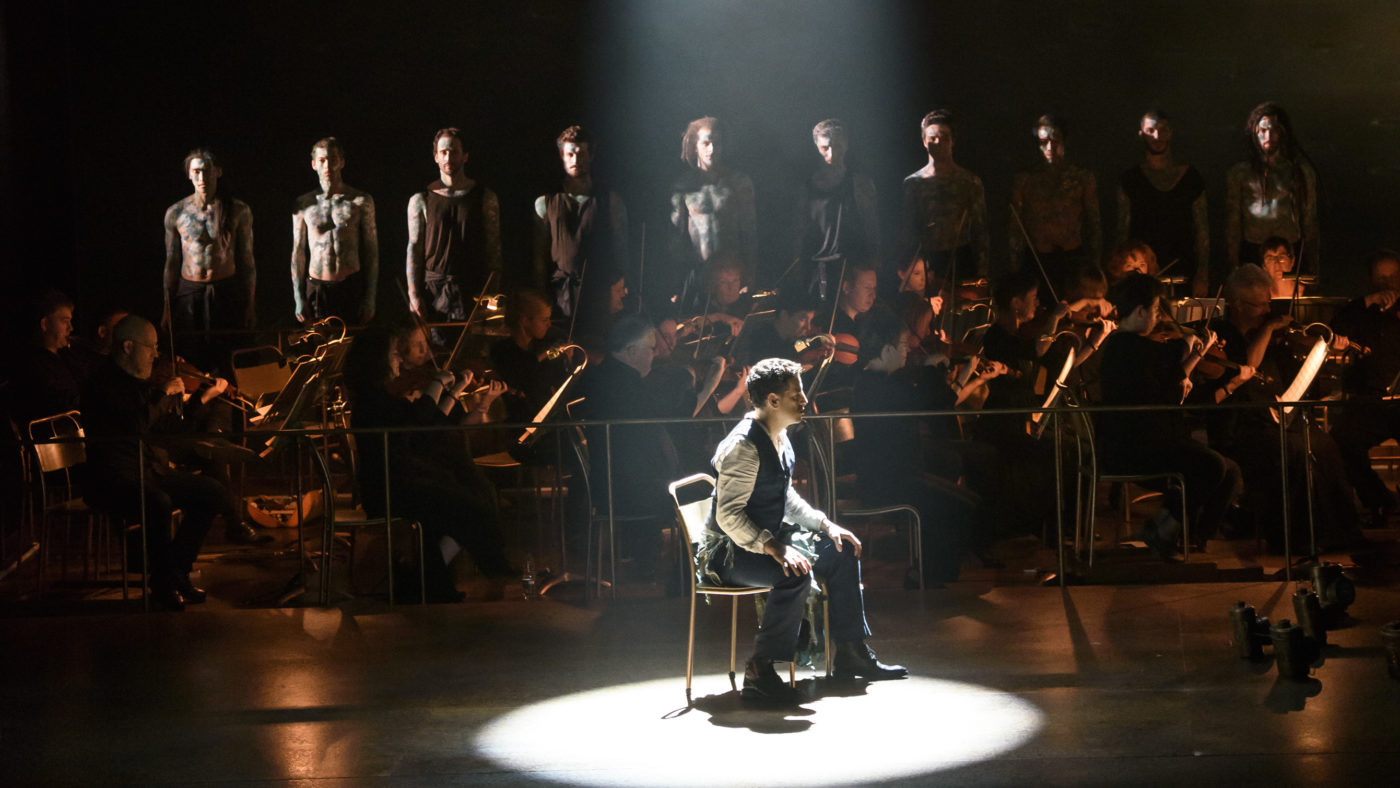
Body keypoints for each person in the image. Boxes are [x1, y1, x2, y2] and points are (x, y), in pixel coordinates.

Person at [699, 358, 906, 703]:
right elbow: (728, 516)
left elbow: (786, 498)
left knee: (840, 550)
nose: (805, 400)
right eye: (797, 393)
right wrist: (774, 547)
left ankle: (851, 653)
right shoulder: (744, 447)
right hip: (730, 554)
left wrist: (827, 525)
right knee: (794, 573)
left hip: (765, 542)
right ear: (773, 401)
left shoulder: (779, 436)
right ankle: (759, 670)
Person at [81, 315, 251, 610]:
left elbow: (168, 433)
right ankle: (162, 586)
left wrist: (199, 399)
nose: (156, 355)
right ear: (127, 347)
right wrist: (162, 393)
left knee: (213, 493)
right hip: (113, 477)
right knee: (157, 503)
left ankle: (176, 573)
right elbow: (137, 424)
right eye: (151, 347)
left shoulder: (139, 384)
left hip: (147, 470)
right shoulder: (102, 382)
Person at [342, 325, 515, 602]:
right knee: (466, 506)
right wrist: (435, 385)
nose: (398, 359)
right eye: (393, 354)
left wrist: (451, 392)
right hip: (389, 489)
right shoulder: (372, 400)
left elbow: (424, 425)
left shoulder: (375, 397)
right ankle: (483, 570)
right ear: (377, 360)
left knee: (464, 499)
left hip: (399, 483)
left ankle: (423, 582)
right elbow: (417, 419)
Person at [1206, 265, 1360, 551]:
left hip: (1271, 421)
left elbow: (1295, 377)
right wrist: (1266, 330)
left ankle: (1341, 529)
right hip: (1237, 427)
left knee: (1324, 443)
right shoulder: (1220, 335)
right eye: (1260, 304)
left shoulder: (1271, 336)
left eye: (1268, 303)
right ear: (1237, 304)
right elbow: (1245, 367)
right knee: (1294, 451)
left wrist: (1325, 355)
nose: (1267, 311)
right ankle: (1292, 537)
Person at [1097, 273, 1242, 557]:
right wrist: (1194, 344)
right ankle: (1164, 529)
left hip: (1154, 439)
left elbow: (1166, 379)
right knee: (1211, 466)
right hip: (1134, 447)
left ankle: (1190, 537)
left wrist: (1189, 364)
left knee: (1230, 471)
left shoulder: (1134, 347)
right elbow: (1171, 356)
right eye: (1154, 309)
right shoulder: (1124, 346)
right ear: (1139, 311)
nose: (1158, 316)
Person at [575, 315, 723, 572]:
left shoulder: (604, 377)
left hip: (612, 484)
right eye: (651, 348)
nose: (655, 355)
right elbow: (678, 416)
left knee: (696, 483)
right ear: (631, 350)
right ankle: (692, 576)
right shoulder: (627, 386)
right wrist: (710, 384)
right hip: (629, 491)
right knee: (710, 492)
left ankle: (664, 565)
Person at [163, 148, 255, 373]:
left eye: (207, 171)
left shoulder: (237, 210)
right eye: (196, 172)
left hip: (225, 291)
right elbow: (171, 262)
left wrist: (250, 304)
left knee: (228, 360)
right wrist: (167, 306)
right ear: (189, 175)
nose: (202, 178)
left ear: (218, 172)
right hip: (190, 292)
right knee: (191, 359)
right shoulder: (177, 212)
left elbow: (248, 261)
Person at [407, 128, 503, 328]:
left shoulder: (485, 197)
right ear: (436, 157)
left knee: (473, 354)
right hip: (434, 291)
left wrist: (491, 293)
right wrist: (414, 294)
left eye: (454, 151)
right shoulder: (421, 200)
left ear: (465, 156)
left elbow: (493, 248)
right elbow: (414, 248)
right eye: (443, 152)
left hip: (473, 289)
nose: (448, 157)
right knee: (437, 353)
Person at [1329, 250, 1400, 522]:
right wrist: (1367, 302)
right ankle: (1378, 498)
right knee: (1341, 439)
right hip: (1369, 402)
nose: (1387, 284)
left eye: (1393, 278)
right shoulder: (1360, 311)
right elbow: (1335, 329)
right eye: (1381, 278)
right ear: (1371, 280)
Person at [533, 125, 629, 320]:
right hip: (561, 293)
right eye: (570, 154)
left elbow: (622, 249)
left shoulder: (609, 200)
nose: (576, 160)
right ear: (562, 154)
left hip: (600, 292)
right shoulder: (546, 202)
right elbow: (539, 256)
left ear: (591, 156)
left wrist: (617, 285)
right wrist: (541, 294)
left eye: (582, 154)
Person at [666, 117, 757, 313]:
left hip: (732, 277)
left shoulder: (738, 183)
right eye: (706, 143)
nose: (712, 149)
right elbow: (676, 239)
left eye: (717, 142)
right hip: (699, 276)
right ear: (695, 145)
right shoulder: (683, 187)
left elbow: (749, 232)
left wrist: (749, 272)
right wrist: (676, 283)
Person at [1116, 110, 1210, 297]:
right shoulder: (1130, 179)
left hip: (1184, 266)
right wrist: (1121, 274)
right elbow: (1122, 231)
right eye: (1151, 130)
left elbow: (1203, 231)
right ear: (1141, 135)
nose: (1157, 136)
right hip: (1142, 269)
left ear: (1170, 132)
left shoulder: (1190, 178)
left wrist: (1203, 273)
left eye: (1162, 129)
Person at [1009, 115, 1101, 301]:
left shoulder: (1082, 178)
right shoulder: (1025, 179)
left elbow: (1094, 223)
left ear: (1064, 141)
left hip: (1073, 259)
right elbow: (1015, 228)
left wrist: (1096, 265)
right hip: (1037, 259)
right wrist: (1015, 269)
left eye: (1055, 141)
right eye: (1044, 141)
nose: (1050, 147)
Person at [291, 137, 379, 324]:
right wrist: (298, 297)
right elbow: (298, 252)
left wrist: (370, 297)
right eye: (322, 160)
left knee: (351, 348)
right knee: (319, 349)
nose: (328, 165)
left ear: (342, 162)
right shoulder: (304, 204)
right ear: (314, 164)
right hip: (317, 287)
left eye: (333, 159)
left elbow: (371, 251)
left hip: (350, 285)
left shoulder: (360, 201)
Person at [793, 119, 879, 305]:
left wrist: (873, 265)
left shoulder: (859, 184)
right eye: (826, 148)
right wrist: (799, 268)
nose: (832, 154)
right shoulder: (807, 188)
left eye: (837, 146)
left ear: (846, 145)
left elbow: (871, 228)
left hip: (853, 269)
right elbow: (800, 232)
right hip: (819, 270)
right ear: (817, 147)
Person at [1225, 103, 1319, 274]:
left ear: (1283, 132)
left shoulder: (1300, 172)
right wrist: (1233, 262)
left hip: (1290, 250)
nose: (1268, 136)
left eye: (1274, 129)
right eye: (1263, 130)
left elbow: (1309, 221)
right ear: (1254, 132)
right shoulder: (1240, 173)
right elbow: (1233, 223)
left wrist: (1313, 264)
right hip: (1253, 249)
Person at [901, 109, 989, 284]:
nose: (938, 142)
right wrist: (909, 267)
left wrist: (983, 269)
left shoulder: (969, 181)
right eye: (932, 138)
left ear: (952, 141)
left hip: (961, 258)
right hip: (926, 260)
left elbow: (981, 229)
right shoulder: (914, 184)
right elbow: (908, 230)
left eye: (944, 137)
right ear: (924, 141)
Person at [13, 290, 81, 424]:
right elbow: (57, 403)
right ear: (44, 324)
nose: (71, 328)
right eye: (64, 321)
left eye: (70, 321)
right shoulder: (31, 364)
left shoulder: (69, 357)